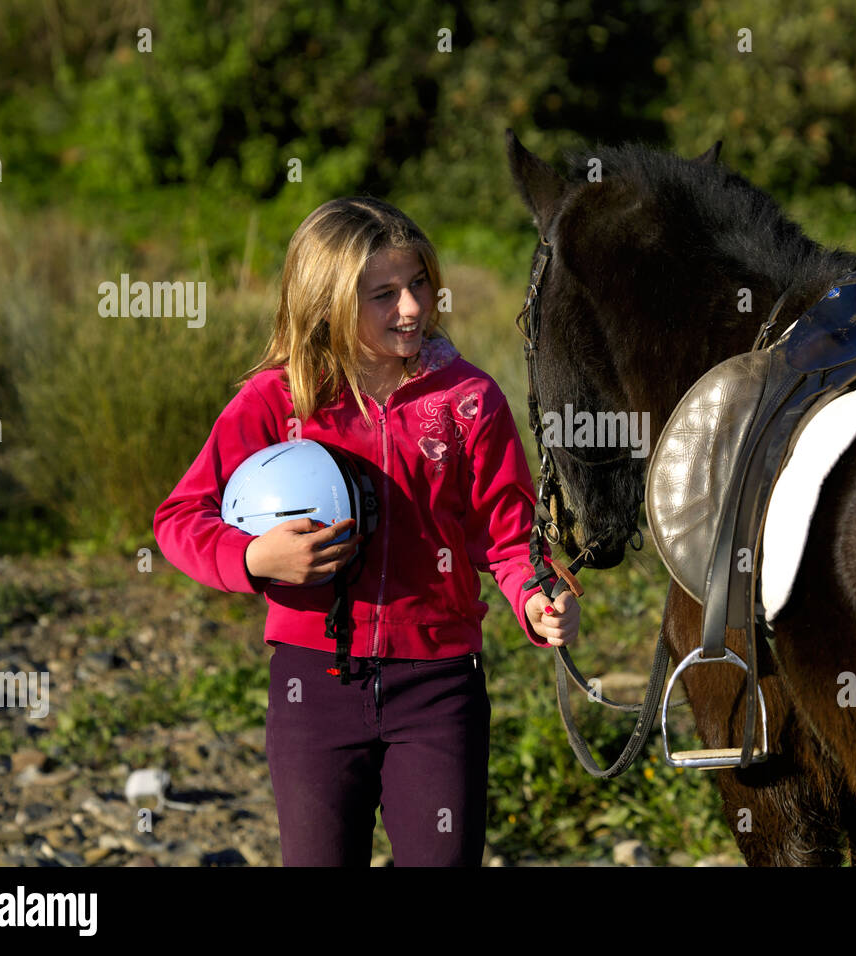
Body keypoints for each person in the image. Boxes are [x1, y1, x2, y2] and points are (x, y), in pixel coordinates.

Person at [153, 197, 579, 866]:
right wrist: (254, 557)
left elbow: (508, 536)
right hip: (311, 687)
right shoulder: (277, 399)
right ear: (325, 303)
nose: (411, 308)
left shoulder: (468, 401)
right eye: (382, 294)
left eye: (417, 285)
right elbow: (180, 519)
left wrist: (536, 595)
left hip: (440, 685)